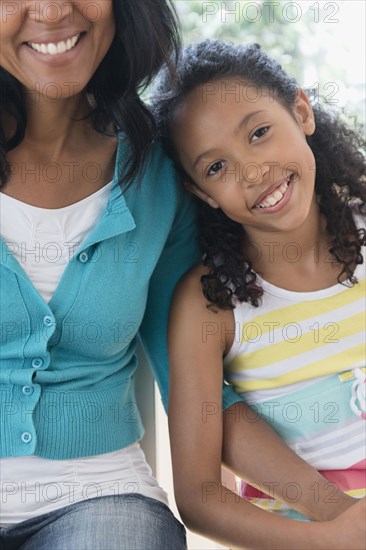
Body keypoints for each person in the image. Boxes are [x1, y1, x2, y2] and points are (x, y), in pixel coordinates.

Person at [0, 2, 362, 548]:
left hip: (97, 498)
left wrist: (344, 523)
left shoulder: (156, 175)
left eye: (259, 132)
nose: (51, 10)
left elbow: (201, 394)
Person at [153, 39, 366, 549]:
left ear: (301, 111)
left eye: (260, 132)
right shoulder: (208, 307)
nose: (252, 171)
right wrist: (338, 537)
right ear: (202, 194)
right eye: (216, 168)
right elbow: (200, 496)